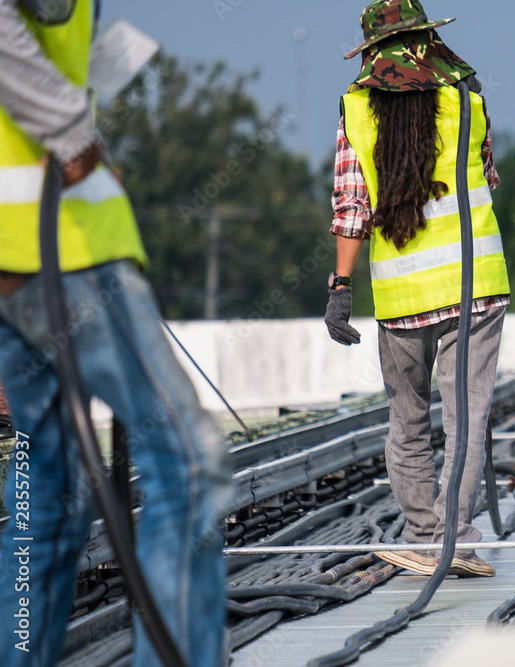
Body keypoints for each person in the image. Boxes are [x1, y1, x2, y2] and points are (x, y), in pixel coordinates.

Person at [0, 1, 231, 665]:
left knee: (48, 495)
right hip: (67, 248)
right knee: (188, 464)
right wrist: (72, 133)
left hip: (21, 249)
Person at [326, 0, 509, 578]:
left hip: (402, 295)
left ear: (373, 54)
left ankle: (425, 535)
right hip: (476, 282)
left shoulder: (356, 108)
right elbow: (488, 177)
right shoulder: (469, 99)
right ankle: (458, 542)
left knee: (407, 420)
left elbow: (352, 207)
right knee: (466, 419)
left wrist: (340, 286)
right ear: (428, 40)